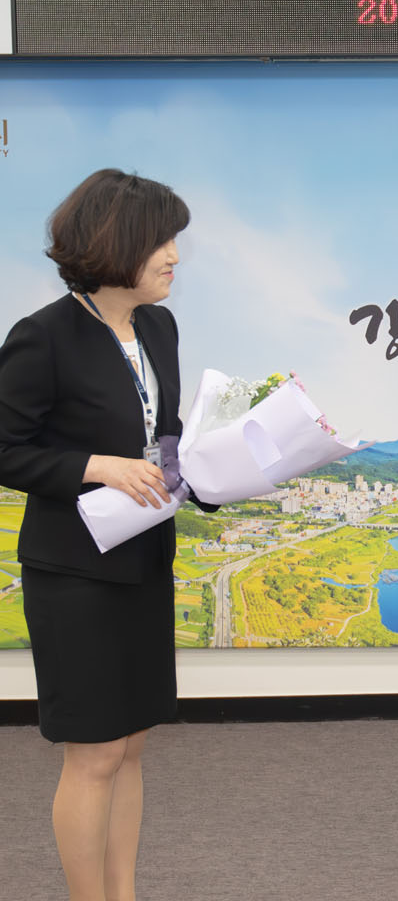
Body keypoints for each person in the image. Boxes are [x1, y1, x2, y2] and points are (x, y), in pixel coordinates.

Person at [0, 169, 197, 901]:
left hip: (143, 559)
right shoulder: (43, 336)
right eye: (161, 241)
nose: (174, 255)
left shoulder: (158, 328)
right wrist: (93, 466)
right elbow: (6, 448)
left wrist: (214, 462)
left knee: (132, 744)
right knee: (94, 753)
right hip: (74, 573)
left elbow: (163, 433)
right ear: (115, 245)